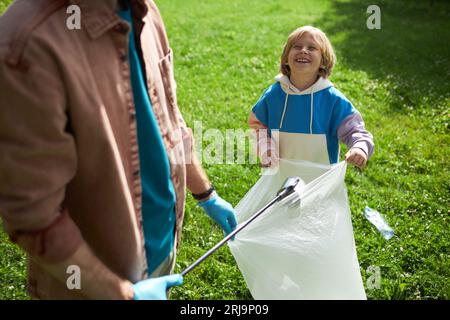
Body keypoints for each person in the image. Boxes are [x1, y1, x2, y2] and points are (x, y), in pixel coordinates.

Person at [0, 0, 237, 300]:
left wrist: (206, 194)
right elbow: (34, 217)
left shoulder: (146, 10)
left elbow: (170, 120)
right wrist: (124, 293)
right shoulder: (27, 44)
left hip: (162, 252)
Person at [248, 26, 374, 168]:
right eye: (297, 46)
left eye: (312, 48)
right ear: (286, 59)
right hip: (278, 175)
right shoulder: (273, 96)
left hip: (319, 180)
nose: (303, 50)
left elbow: (355, 131)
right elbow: (258, 128)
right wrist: (266, 149)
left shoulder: (333, 100)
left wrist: (360, 147)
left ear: (323, 61)